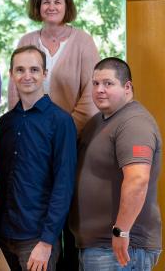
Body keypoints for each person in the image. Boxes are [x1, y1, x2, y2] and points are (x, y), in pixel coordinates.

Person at [0, 46, 77, 271]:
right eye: (20, 69)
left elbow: (64, 185)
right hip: (2, 236)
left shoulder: (60, 122)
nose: (27, 76)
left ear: (45, 74)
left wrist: (46, 241)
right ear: (11, 74)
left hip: (37, 239)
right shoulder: (6, 123)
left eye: (34, 69)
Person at [69, 57, 162, 270]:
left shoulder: (134, 122)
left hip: (121, 248)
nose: (99, 90)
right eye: (95, 83)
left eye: (108, 83)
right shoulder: (98, 122)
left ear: (127, 87)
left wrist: (122, 231)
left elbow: (138, 179)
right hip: (97, 246)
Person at [10, 0, 100, 134]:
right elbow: (14, 90)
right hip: (31, 134)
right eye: (46, 2)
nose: (51, 7)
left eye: (57, 2)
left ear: (67, 6)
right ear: (38, 6)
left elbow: (91, 93)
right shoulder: (26, 41)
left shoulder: (84, 42)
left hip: (73, 134)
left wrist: (65, 130)